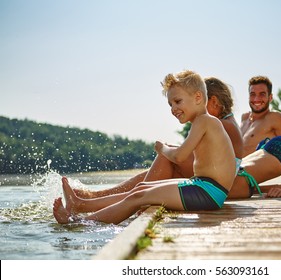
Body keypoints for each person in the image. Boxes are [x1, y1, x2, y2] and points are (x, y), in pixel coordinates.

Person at [52, 70, 236, 224]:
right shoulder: (202, 122)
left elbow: (179, 156)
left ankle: (80, 223)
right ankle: (80, 204)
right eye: (170, 104)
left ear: (197, 97)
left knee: (138, 197)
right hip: (203, 186)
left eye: (178, 101)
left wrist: (163, 148)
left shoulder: (204, 121)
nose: (173, 108)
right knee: (141, 188)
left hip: (208, 192)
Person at [74, 77, 243, 199]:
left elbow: (182, 156)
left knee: (166, 157)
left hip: (217, 183)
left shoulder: (219, 124)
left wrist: (165, 149)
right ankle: (106, 197)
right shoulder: (226, 122)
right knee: (164, 166)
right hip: (216, 179)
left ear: (211, 101)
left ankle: (119, 198)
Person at [240, 76, 281, 156]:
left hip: (259, 168)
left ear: (270, 97)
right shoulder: (244, 118)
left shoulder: (276, 118)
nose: (256, 99)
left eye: (262, 94)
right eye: (253, 94)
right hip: (235, 167)